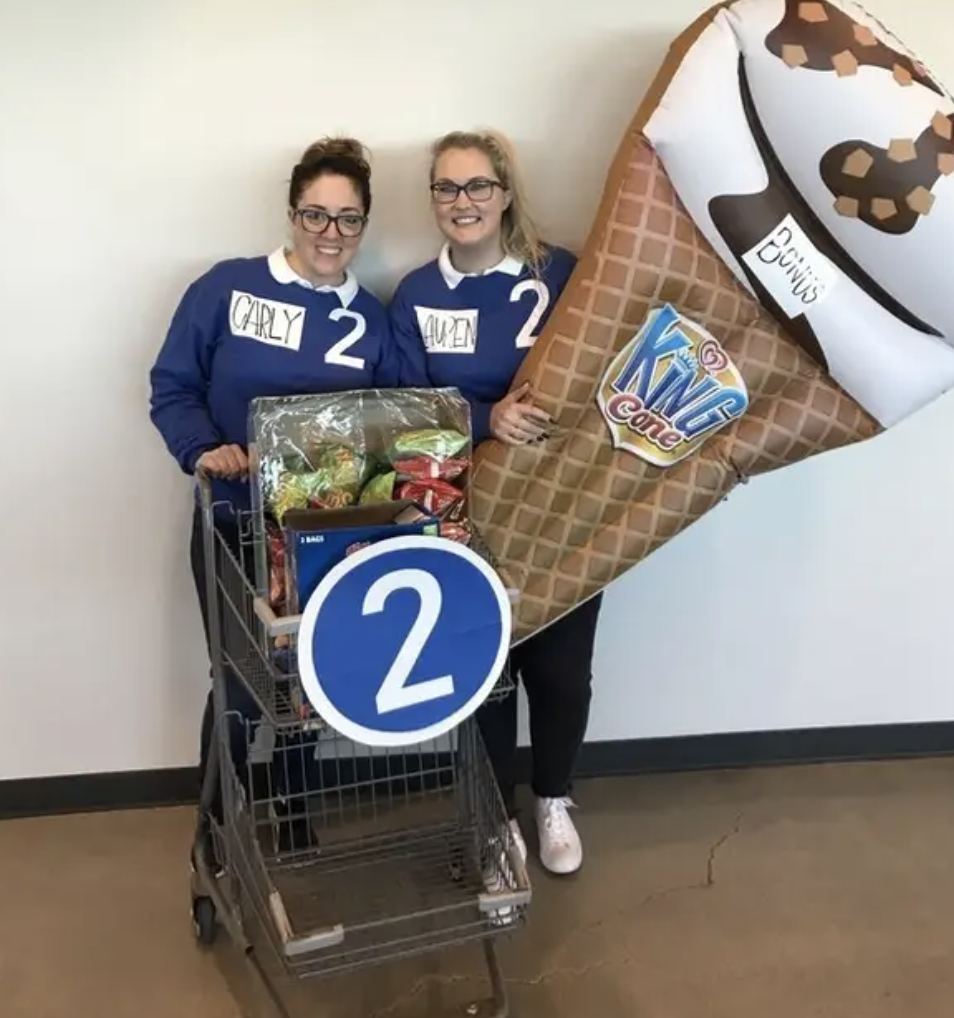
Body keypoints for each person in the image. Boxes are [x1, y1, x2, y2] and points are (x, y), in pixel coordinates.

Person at [149, 136, 399, 870]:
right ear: (291, 214)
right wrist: (203, 449)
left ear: (365, 225)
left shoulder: (375, 321)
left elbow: (394, 421)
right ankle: (216, 833)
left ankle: (294, 815)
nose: (330, 234)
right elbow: (173, 385)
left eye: (347, 220)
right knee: (237, 686)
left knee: (305, 678)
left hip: (322, 536)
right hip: (230, 522)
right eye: (315, 215)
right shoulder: (226, 288)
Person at [388, 129, 602, 876]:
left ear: (506, 193)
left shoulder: (559, 273)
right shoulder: (415, 294)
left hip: (561, 503)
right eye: (447, 188)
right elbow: (406, 409)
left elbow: (603, 364)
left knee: (560, 670)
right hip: (464, 511)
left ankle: (552, 800)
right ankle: (491, 815)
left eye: (478, 186)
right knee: (483, 670)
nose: (462, 202)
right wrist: (487, 419)